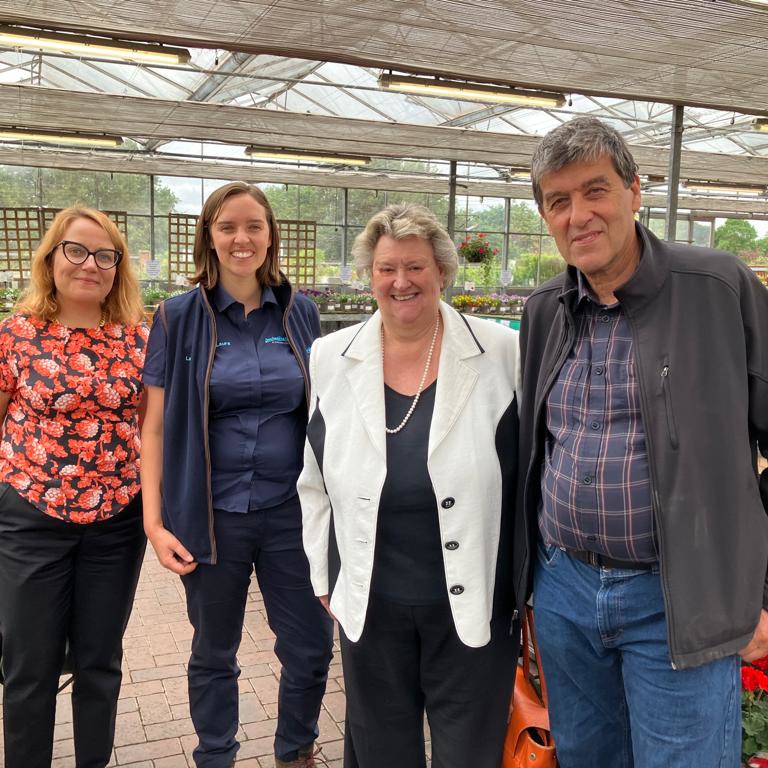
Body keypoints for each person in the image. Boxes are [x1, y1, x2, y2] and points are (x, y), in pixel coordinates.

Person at [514, 116, 768, 768]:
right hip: (565, 591)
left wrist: (758, 590)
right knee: (588, 757)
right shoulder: (545, 308)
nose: (579, 215)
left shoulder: (717, 288)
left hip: (677, 597)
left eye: (595, 191)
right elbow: (537, 445)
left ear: (634, 190)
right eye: (558, 201)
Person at [297, 203, 520, 768]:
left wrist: (526, 588)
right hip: (372, 597)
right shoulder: (331, 355)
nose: (402, 282)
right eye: (387, 268)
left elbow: (523, 474)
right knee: (381, 748)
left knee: (468, 749)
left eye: (416, 267)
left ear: (442, 271)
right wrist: (325, 577)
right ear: (370, 275)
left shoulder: (500, 352)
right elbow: (315, 480)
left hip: (476, 596)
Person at [140, 181, 333, 768]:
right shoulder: (177, 317)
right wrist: (154, 522)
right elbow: (152, 427)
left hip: (291, 514)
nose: (241, 238)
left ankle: (295, 747)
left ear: (270, 234)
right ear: (210, 237)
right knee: (214, 650)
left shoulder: (300, 311)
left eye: (253, 225)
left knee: (309, 647)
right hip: (210, 513)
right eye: (227, 227)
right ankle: (215, 754)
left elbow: (327, 406)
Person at [0, 207, 148, 768]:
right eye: (77, 251)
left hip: (116, 522)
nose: (91, 265)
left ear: (118, 268)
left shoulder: (137, 339)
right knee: (28, 666)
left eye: (105, 255)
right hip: (31, 519)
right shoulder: (15, 336)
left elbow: (150, 427)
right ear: (51, 258)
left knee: (99, 662)